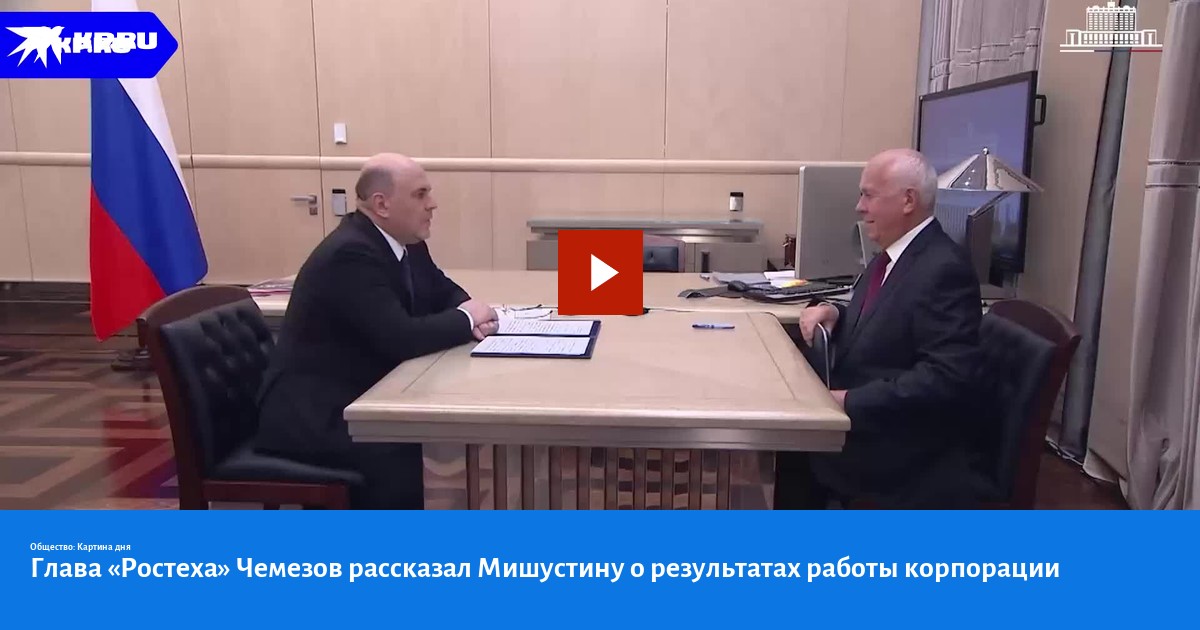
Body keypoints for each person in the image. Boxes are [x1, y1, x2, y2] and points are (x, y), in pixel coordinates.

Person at [255, 153, 498, 509]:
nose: (432, 204)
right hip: (316, 414)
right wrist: (466, 319)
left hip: (363, 394)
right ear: (382, 204)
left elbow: (441, 290)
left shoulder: (407, 242)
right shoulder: (350, 253)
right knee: (418, 452)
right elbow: (401, 338)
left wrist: (472, 311)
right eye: (420, 194)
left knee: (440, 441)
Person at [776, 148, 984, 509]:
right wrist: (836, 312)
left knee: (780, 450)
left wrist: (845, 400)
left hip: (897, 448)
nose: (859, 207)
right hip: (871, 422)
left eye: (868, 195)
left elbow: (945, 378)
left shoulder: (944, 269)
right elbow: (890, 319)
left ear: (908, 200)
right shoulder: (891, 257)